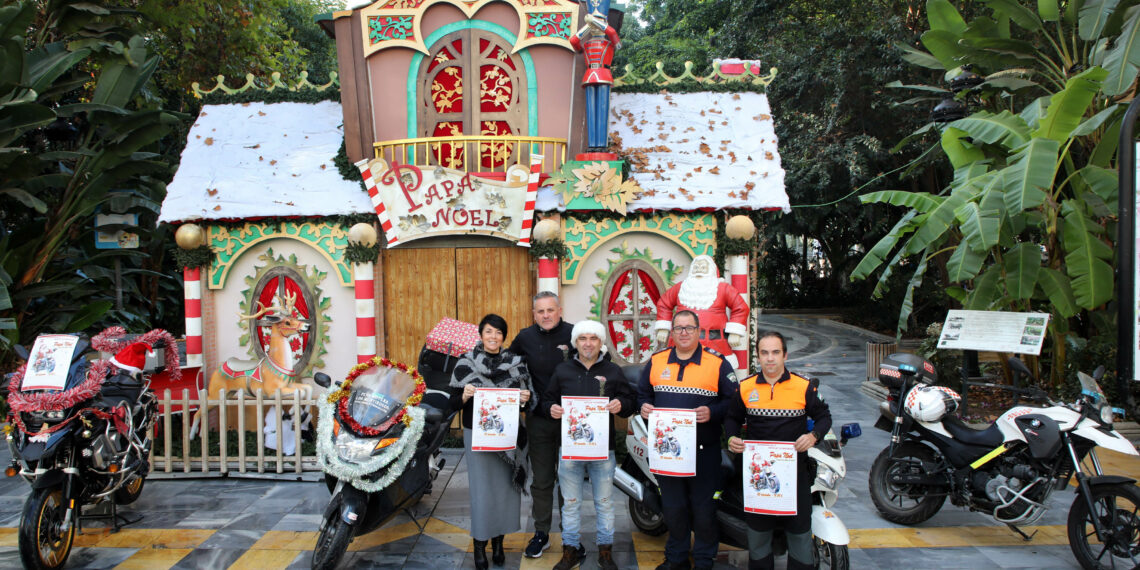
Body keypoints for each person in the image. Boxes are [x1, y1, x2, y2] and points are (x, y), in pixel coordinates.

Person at [638, 310, 738, 570]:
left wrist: (712, 412)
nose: (683, 332)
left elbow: (734, 402)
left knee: (704, 509)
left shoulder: (717, 363)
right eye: (679, 328)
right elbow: (642, 394)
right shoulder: (657, 361)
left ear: (698, 331)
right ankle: (676, 558)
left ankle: (704, 560)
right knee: (673, 508)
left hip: (704, 451)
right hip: (668, 452)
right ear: (672, 332)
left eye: (689, 328)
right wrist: (644, 406)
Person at [725, 331, 832, 570]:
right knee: (759, 537)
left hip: (795, 476)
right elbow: (732, 418)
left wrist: (813, 436)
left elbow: (824, 417)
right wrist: (732, 437)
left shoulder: (803, 387)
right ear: (758, 356)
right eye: (764, 353)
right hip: (758, 478)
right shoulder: (745, 387)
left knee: (799, 535)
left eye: (775, 352)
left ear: (785, 355)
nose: (770, 358)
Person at [541, 320, 635, 570]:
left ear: (601, 342)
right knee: (570, 503)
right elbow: (547, 399)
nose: (588, 343)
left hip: (603, 451)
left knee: (604, 502)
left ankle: (605, 551)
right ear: (575, 343)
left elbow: (629, 401)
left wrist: (621, 405)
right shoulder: (563, 370)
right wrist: (551, 408)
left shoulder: (613, 371)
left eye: (593, 338)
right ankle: (570, 550)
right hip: (570, 449)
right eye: (583, 338)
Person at [449, 314, 534, 570]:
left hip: (508, 436)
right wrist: (464, 395)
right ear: (481, 334)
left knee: (506, 491)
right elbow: (451, 403)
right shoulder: (465, 363)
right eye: (489, 332)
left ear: (503, 336)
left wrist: (524, 398)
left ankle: (498, 543)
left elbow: (526, 403)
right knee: (482, 492)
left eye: (498, 332)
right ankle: (479, 544)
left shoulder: (517, 364)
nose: (493, 337)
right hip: (477, 436)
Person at [509, 291, 574, 558]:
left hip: (572, 420)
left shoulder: (575, 334)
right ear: (533, 314)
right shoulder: (524, 337)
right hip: (538, 419)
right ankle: (542, 533)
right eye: (540, 311)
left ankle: (570, 534)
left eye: (550, 310)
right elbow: (505, 366)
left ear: (559, 310)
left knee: (569, 479)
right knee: (543, 480)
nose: (546, 315)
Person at [654, 255, 749, 368]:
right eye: (696, 267)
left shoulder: (723, 288)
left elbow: (740, 307)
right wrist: (663, 327)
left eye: (703, 267)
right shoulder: (681, 288)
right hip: (682, 343)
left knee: (715, 375)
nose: (699, 269)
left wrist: (735, 332)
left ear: (711, 270)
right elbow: (664, 304)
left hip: (715, 344)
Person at [569, 0, 621, 150]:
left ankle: (601, 145)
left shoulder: (610, 43)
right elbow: (573, 41)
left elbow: (614, 36)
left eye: (600, 21)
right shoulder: (586, 44)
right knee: (591, 112)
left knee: (602, 110)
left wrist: (596, 21)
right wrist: (588, 26)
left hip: (604, 74)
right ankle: (593, 145)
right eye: (595, 23)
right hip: (590, 75)